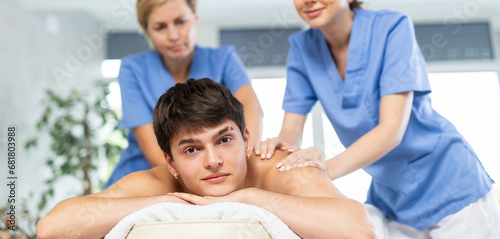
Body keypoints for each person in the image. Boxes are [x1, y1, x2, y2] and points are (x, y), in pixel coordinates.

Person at [253, 0, 500, 238]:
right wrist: (280, 150)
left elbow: (391, 131)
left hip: (450, 186)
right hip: (391, 198)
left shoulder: (392, 28)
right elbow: (291, 130)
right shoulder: (303, 49)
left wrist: (320, 171)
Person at [36, 78, 375, 239]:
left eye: (224, 140)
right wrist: (171, 202)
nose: (213, 160)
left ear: (245, 138)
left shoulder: (279, 168)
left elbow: (358, 230)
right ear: (170, 162)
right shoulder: (158, 184)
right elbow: (52, 228)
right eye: (192, 149)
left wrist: (252, 197)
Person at [106, 0, 263, 187]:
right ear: (147, 31)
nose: (174, 35)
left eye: (181, 22)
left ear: (195, 18)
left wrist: (239, 163)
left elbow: (252, 110)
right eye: (160, 27)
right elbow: (155, 152)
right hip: (149, 177)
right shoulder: (132, 69)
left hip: (212, 174)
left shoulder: (223, 59)